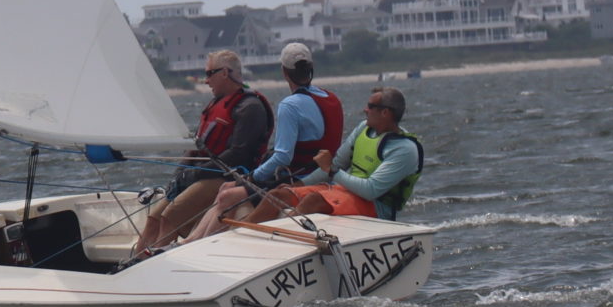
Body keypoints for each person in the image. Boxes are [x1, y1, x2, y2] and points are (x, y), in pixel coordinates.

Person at [179, 44, 344, 241]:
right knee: (227, 190)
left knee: (227, 195)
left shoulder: (290, 105)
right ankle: (192, 241)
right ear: (311, 68)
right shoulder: (332, 98)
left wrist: (252, 177)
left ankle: (198, 244)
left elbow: (283, 156)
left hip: (300, 179)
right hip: (324, 176)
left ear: (284, 72)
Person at [127, 50, 272, 257]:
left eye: (209, 73)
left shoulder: (250, 107)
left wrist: (195, 174)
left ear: (224, 72)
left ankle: (155, 264)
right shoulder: (215, 104)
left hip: (226, 177)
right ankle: (134, 262)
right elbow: (197, 145)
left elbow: (238, 155)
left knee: (170, 217)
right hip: (200, 174)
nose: (205, 81)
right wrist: (179, 175)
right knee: (154, 218)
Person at [274, 87, 422, 220]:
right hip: (345, 193)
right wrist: (297, 185)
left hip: (377, 208)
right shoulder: (363, 128)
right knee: (280, 195)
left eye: (370, 106)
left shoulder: (405, 149)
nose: (365, 110)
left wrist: (331, 170)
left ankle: (277, 239)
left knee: (313, 200)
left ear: (385, 112)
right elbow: (337, 164)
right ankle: (251, 235)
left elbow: (370, 190)